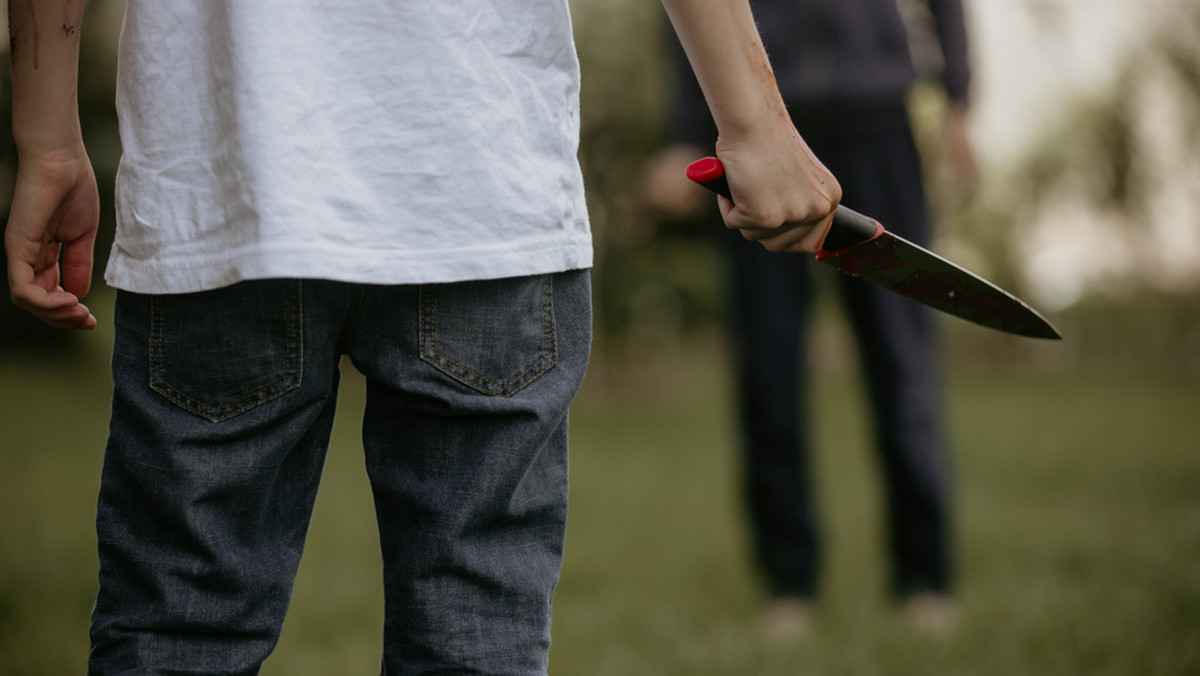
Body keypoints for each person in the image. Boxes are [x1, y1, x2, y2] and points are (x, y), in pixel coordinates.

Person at [5, 0, 840, 672]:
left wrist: (46, 137)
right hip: (475, 178)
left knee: (179, 628)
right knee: (475, 633)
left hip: (224, 182)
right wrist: (754, 121)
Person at [649, 0, 974, 636]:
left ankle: (925, 578)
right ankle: (788, 583)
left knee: (901, 362)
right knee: (767, 367)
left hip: (878, 122)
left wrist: (958, 100)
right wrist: (681, 133)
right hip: (757, 135)